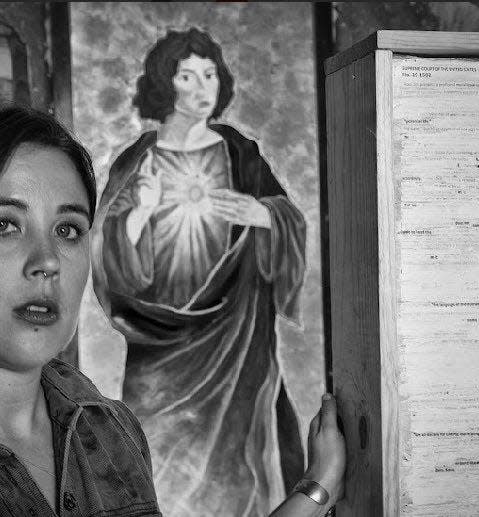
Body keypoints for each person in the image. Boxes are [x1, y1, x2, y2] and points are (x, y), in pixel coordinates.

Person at [0, 103, 345, 516]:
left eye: (67, 230)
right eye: (3, 225)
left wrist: (316, 488)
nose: (47, 262)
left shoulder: (111, 433)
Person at [92, 28, 313, 516]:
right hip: (160, 343)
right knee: (159, 465)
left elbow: (287, 217)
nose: (201, 87)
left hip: (234, 336)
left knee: (238, 468)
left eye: (209, 74)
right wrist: (139, 214)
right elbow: (108, 259)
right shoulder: (137, 161)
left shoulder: (239, 152)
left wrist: (262, 215)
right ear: (163, 84)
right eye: (186, 75)